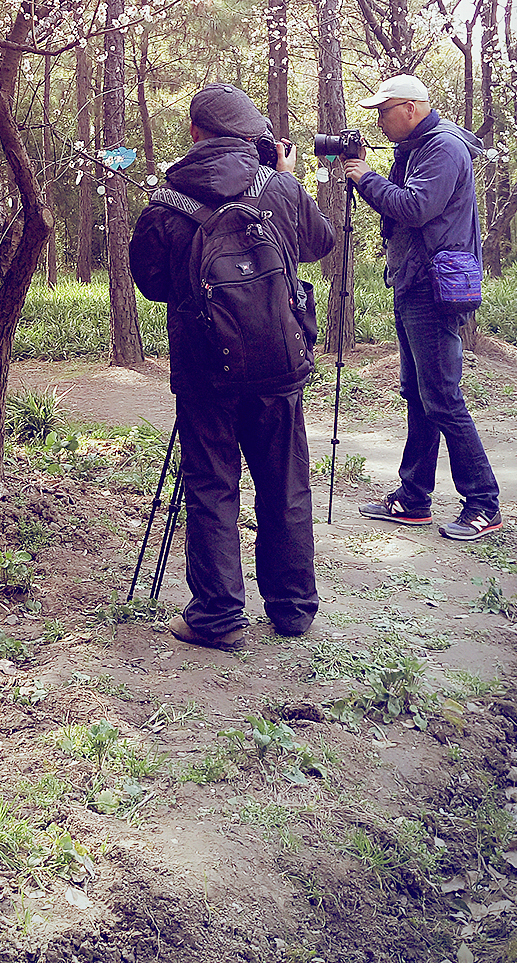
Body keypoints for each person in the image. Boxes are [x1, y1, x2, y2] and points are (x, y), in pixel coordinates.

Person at [128, 83, 334, 651]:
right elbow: (321, 243)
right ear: (253, 137)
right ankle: (292, 609)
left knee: (212, 486)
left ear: (195, 134)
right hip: (278, 365)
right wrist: (285, 177)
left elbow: (150, 283)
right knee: (285, 484)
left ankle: (217, 617)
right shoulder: (281, 189)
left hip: (204, 369)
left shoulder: (167, 204)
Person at [342, 74, 502, 541]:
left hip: (433, 288)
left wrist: (364, 177)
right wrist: (372, 174)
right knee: (419, 395)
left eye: (383, 111)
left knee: (443, 399)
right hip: (414, 281)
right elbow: (396, 211)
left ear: (410, 108)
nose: (378, 120)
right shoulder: (415, 149)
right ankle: (413, 499)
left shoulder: (443, 148)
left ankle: (483, 503)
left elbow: (413, 208)